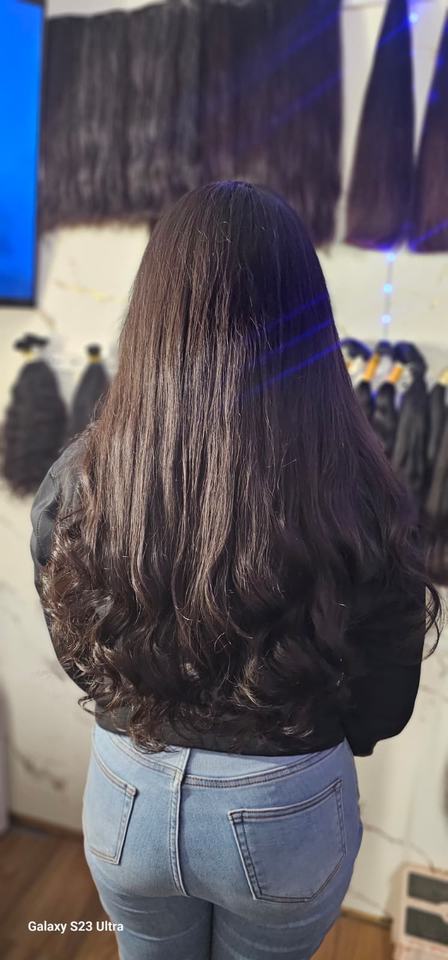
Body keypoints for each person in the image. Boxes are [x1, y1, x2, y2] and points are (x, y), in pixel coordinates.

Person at [30, 181, 441, 960]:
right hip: (286, 805)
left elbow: (75, 641)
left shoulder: (82, 479)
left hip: (129, 793)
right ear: (307, 324)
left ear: (152, 314)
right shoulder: (361, 491)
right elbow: (384, 705)